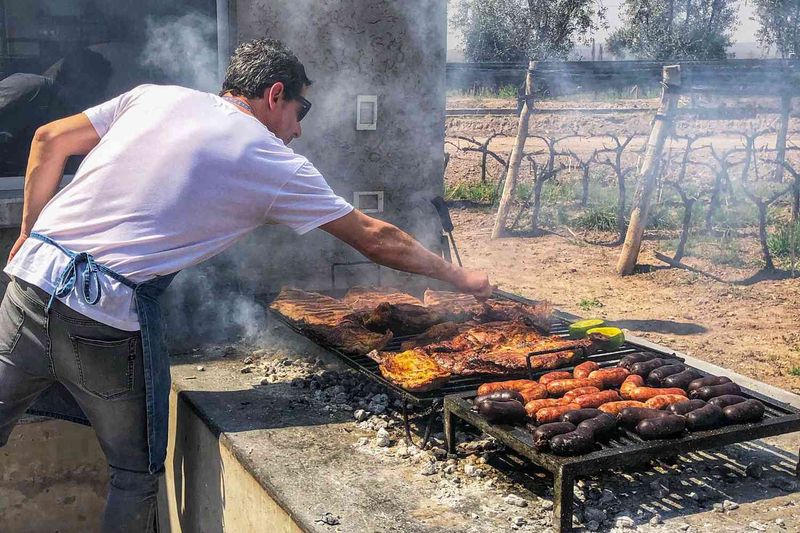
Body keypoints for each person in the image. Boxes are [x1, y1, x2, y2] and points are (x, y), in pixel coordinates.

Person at [0, 38, 491, 531]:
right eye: (301, 111)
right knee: (134, 474)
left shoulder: (155, 96)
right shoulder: (269, 158)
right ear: (275, 94)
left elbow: (48, 140)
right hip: (105, 313)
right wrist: (459, 276)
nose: (298, 130)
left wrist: (27, 232)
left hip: (26, 285)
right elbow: (375, 238)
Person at [0, 48, 112, 175]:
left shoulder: (73, 120)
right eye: (90, 88)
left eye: (98, 90)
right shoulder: (32, 87)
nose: (93, 96)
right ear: (69, 77)